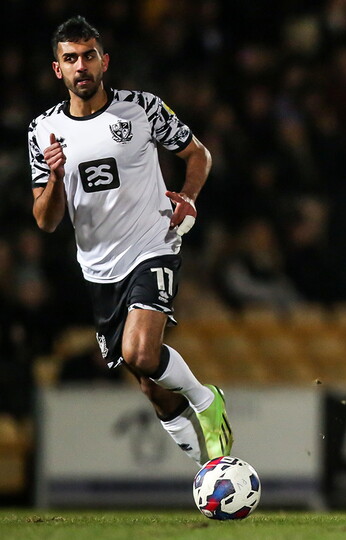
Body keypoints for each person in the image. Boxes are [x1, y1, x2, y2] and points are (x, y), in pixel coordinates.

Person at [28, 16, 232, 467]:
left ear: (105, 61)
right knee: (147, 380)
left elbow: (197, 153)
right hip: (99, 268)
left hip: (152, 245)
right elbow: (46, 221)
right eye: (71, 59)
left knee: (140, 351)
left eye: (89, 56)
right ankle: (208, 470)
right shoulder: (42, 132)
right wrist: (56, 176)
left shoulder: (142, 108)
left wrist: (189, 197)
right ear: (57, 70)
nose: (81, 66)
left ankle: (205, 400)